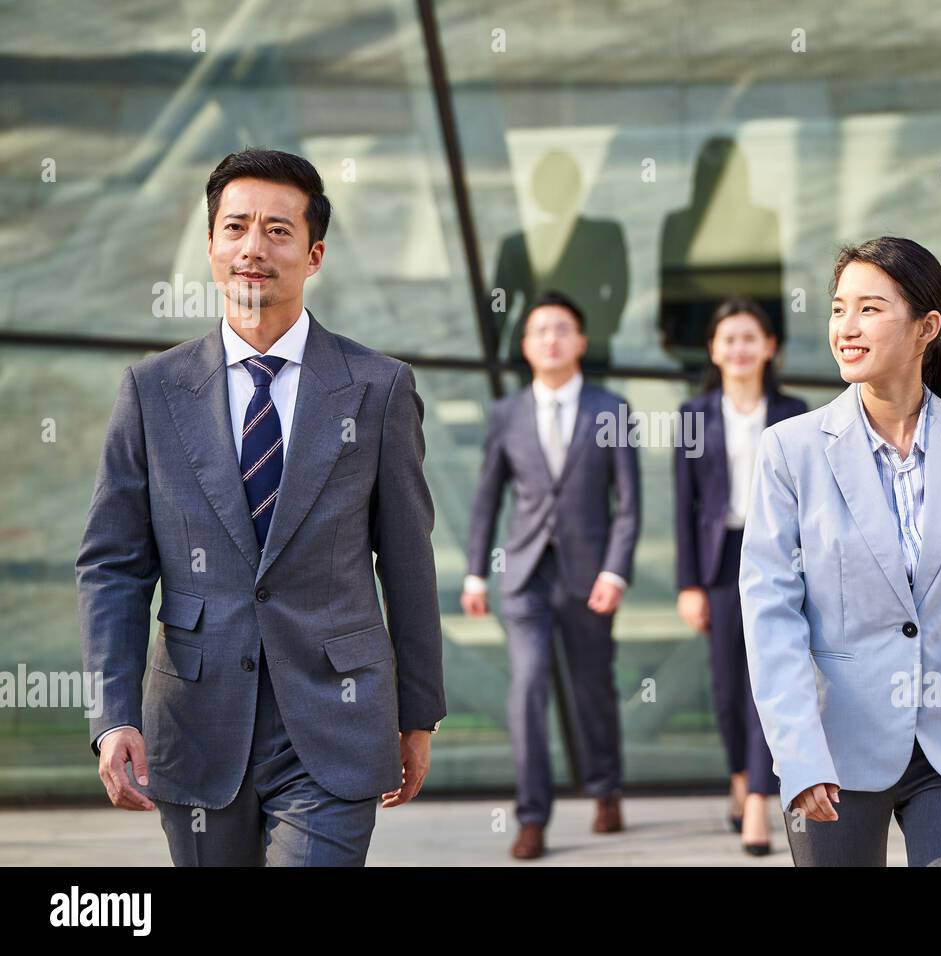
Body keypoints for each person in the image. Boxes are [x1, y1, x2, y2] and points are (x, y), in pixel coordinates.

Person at [76, 148, 446, 866]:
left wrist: (418, 710)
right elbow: (113, 567)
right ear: (211, 245)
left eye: (277, 231)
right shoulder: (151, 391)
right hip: (195, 718)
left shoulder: (379, 389)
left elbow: (407, 559)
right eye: (236, 227)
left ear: (313, 255)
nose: (253, 247)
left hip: (336, 718)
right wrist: (113, 712)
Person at [739, 236, 941, 866]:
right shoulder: (790, 452)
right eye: (838, 308)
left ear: (926, 327)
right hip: (835, 751)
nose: (846, 327)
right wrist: (797, 752)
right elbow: (771, 617)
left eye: (870, 309)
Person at [461, 290, 641, 860]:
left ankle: (606, 788)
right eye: (541, 331)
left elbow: (629, 504)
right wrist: (474, 573)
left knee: (593, 690)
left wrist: (616, 570)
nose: (552, 339)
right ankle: (532, 816)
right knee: (529, 686)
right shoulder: (506, 413)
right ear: (526, 345)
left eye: (563, 329)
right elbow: (487, 500)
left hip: (590, 578)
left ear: (581, 341)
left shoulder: (611, 408)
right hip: (524, 577)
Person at [673, 298, 806, 855]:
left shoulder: (794, 411)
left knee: (767, 679)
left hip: (778, 555)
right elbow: (684, 506)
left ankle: (757, 798)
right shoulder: (694, 416)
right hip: (720, 558)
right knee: (728, 688)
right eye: (729, 339)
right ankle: (738, 778)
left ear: (769, 347)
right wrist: (689, 583)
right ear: (714, 349)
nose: (740, 348)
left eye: (750, 338)